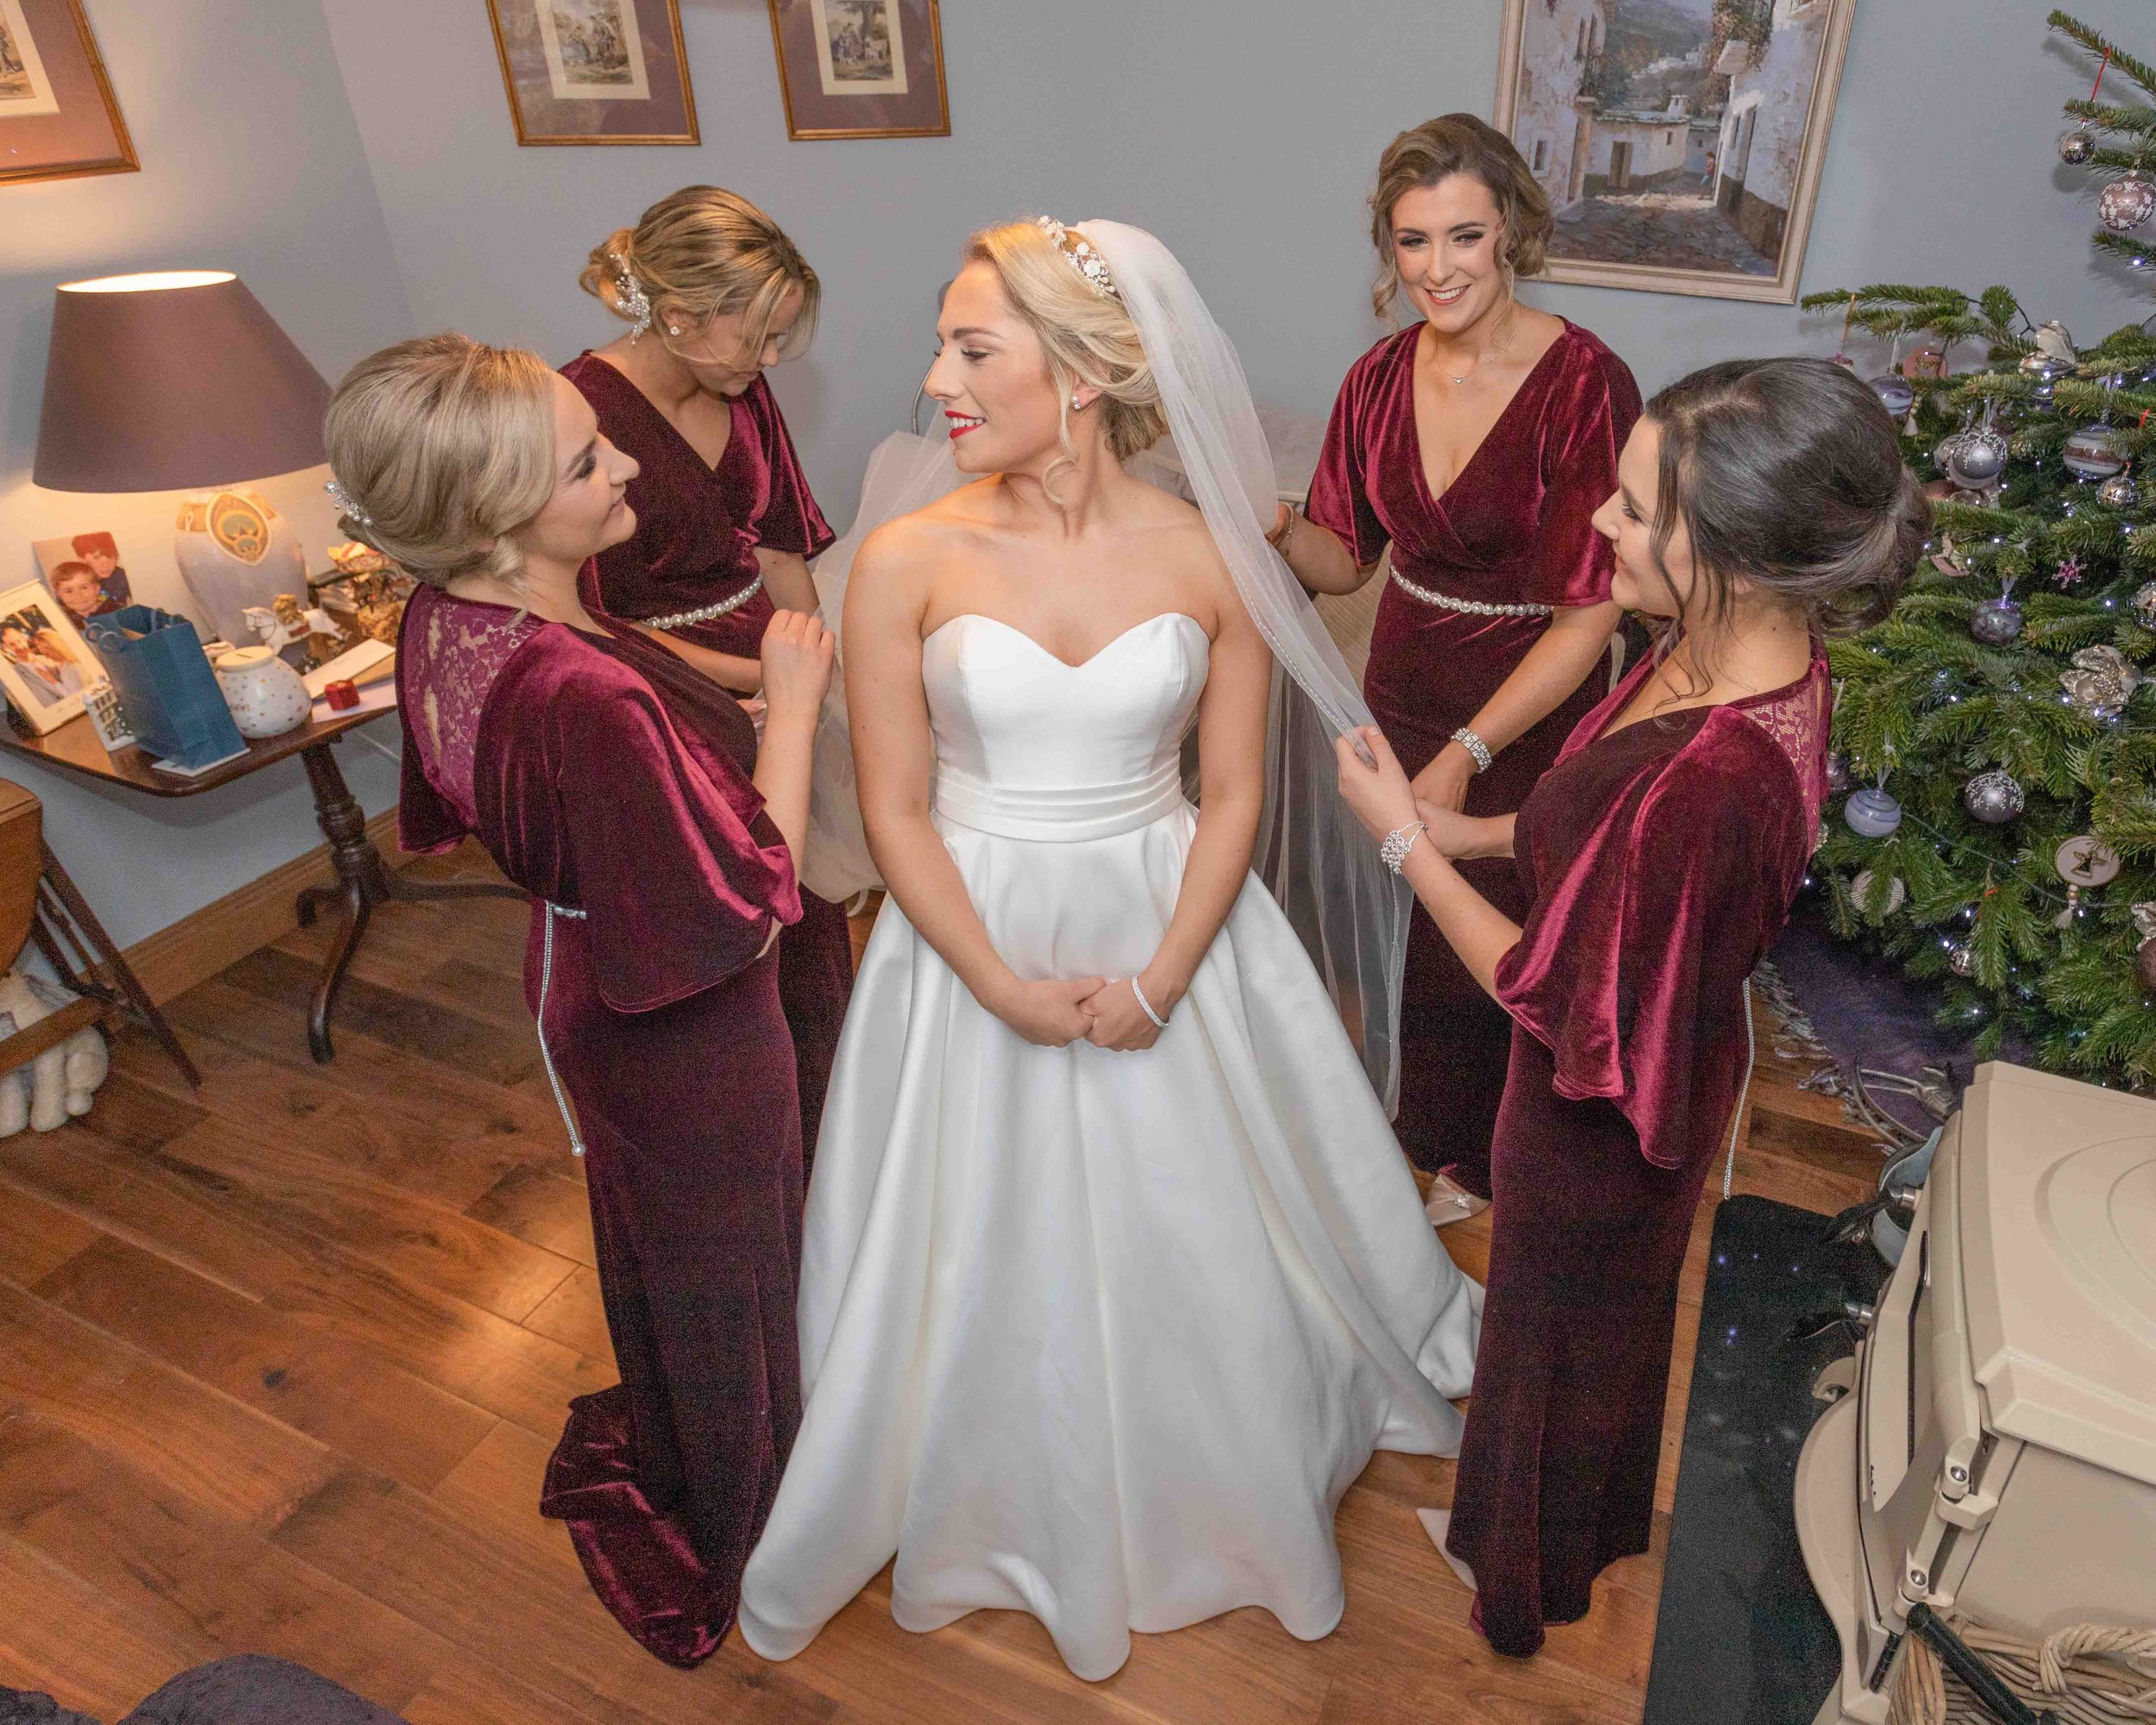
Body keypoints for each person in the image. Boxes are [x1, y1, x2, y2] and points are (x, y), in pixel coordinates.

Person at [736, 218, 1481, 1683]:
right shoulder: (901, 559)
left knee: (1216, 1226)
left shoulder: (1210, 550)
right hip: (966, 940)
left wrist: (1159, 979)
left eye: (971, 346)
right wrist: (1002, 983)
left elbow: (1236, 794)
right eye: (944, 344)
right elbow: (892, 808)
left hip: (1175, 920)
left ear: (1079, 377)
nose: (934, 377)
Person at [1333, 357, 1926, 1657]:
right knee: (1590, 1337)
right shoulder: (1726, 652)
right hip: (1670, 1042)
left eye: (1638, 508)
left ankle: (1515, 1588)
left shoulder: (1707, 779)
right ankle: (1562, 1537)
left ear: (1737, 549)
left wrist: (1401, 846)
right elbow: (1584, 837)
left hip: (1592, 1113)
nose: (1602, 524)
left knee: (1551, 1345)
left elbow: (1540, 989)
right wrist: (1474, 825)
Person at [324, 332, 836, 1667]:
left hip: (580, 975)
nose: (624, 464)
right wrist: (790, 704)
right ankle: (757, 1511)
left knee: (669, 1255)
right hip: (685, 1025)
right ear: (498, 517)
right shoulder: (582, 701)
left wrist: (740, 672)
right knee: (733, 1270)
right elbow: (751, 885)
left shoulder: (456, 618)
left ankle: (695, 1441)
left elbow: (624, 684)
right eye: (584, 461)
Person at [1279, 115, 1641, 1219]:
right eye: (1411, 242)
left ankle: (1486, 1157)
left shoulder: (1585, 382)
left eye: (1464, 237)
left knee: (1493, 928)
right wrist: (1261, 513)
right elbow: (1341, 564)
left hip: (1529, 698)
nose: (1437, 269)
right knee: (1398, 925)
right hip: (1400, 677)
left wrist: (1468, 753)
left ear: (1514, 234)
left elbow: (1589, 614)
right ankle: (1407, 1126)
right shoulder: (1375, 378)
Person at [562, 186, 853, 1157]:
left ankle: (836, 1123)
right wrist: (753, 677)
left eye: (781, 338)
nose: (770, 360)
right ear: (680, 314)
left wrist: (814, 663)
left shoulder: (743, 392)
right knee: (740, 917)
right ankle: (758, 1134)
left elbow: (781, 549)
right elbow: (586, 615)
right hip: (663, 686)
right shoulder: (579, 415)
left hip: (775, 673)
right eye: (757, 334)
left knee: (810, 910)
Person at [48, 560, 121, 627]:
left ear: (96, 588)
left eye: (84, 588)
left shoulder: (118, 613)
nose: (78, 596)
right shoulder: (61, 622)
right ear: (59, 595)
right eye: (69, 591)